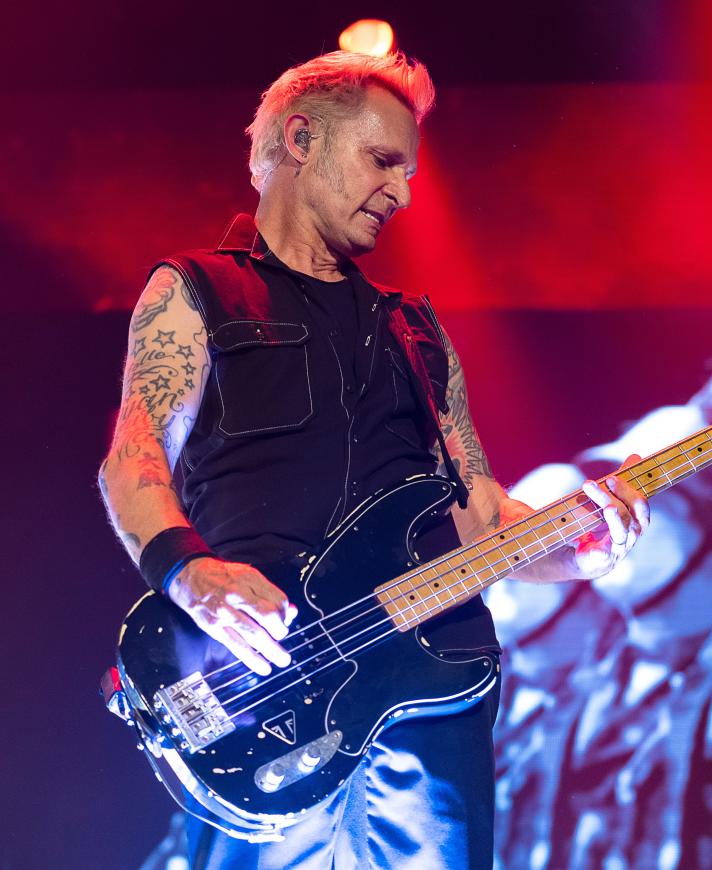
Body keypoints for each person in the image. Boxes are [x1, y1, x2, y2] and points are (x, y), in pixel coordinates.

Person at [99, 50, 649, 869]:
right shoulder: (197, 290)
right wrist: (189, 573)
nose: (404, 191)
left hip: (427, 698)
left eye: (411, 170)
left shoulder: (417, 331)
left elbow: (482, 519)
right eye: (383, 159)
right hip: (267, 697)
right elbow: (132, 455)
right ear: (300, 138)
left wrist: (585, 546)